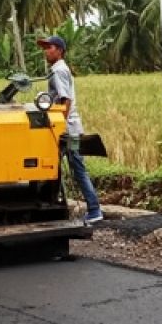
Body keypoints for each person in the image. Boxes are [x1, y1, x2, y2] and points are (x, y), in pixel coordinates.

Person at [35, 35, 102, 224]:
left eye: (49, 48)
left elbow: (66, 101)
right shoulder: (58, 69)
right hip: (68, 129)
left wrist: (59, 127)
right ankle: (51, 204)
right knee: (54, 167)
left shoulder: (58, 71)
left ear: (59, 50)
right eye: (45, 48)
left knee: (75, 167)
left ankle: (95, 209)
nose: (46, 51)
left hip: (67, 130)